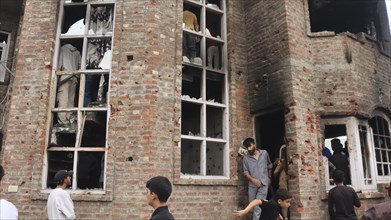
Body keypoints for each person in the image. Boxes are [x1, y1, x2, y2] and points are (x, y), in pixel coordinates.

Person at [242, 137, 273, 220]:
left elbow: (269, 165)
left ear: (254, 144)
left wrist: (269, 177)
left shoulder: (264, 153)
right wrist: (253, 180)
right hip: (252, 185)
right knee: (252, 206)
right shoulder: (246, 158)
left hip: (264, 183)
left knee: (257, 206)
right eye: (246, 147)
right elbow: (245, 172)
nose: (248, 149)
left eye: (250, 146)